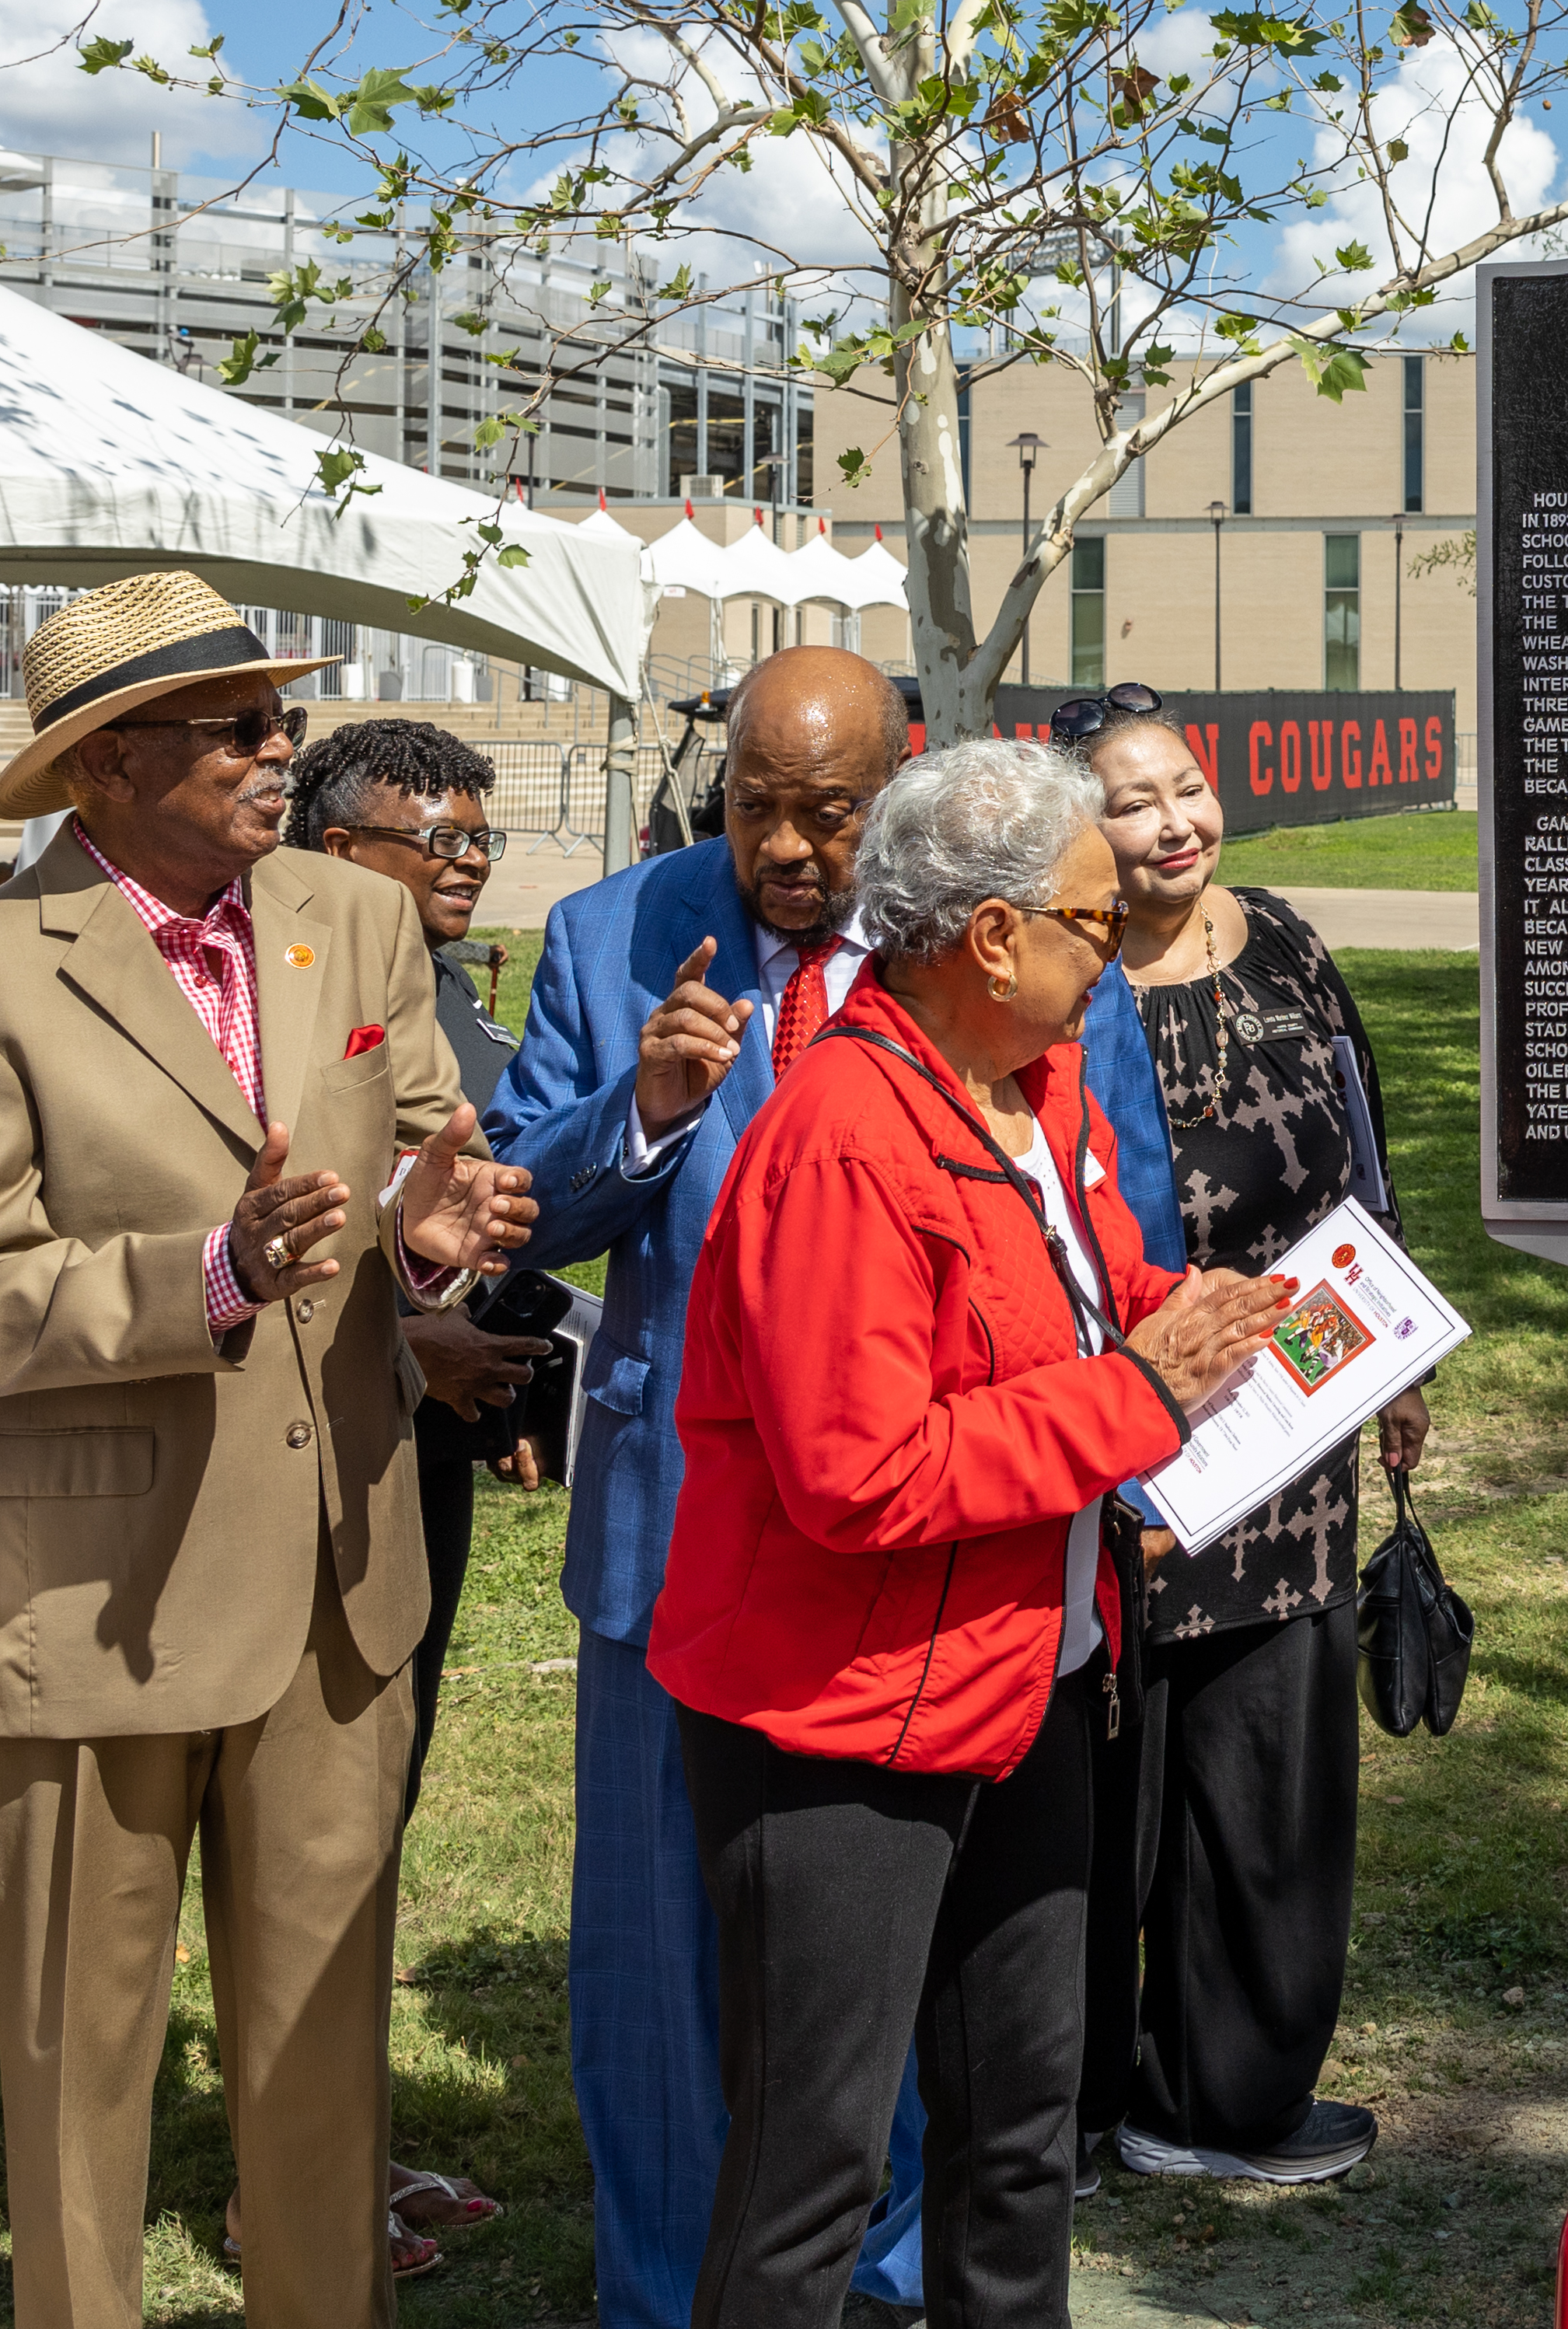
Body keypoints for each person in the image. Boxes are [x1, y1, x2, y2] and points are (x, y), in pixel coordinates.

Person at [0, 571, 536, 2327]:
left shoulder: (352, 922)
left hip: (340, 1586)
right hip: (106, 1607)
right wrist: (210, 1274)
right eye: (235, 725)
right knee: (79, 2091)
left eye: (277, 713)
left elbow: (402, 1157)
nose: (278, 746)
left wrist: (432, 1211)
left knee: (324, 2071)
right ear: (103, 769)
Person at [652, 737, 1290, 2327]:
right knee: (814, 2168)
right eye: (1093, 917)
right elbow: (859, 1476)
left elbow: (1066, 1296)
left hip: (1023, 1683)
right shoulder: (847, 1139)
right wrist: (1142, 1395)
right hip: (843, 1724)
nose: (1118, 942)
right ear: (993, 936)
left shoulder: (1028, 1085)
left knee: (1019, 2131)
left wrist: (1190, 1317)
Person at [484, 643, 932, 2326]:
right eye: (759, 807)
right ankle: (666, 2295)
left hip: (896, 1541)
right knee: (657, 1975)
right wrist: (646, 1110)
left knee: (864, 1955)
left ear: (893, 789)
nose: (793, 848)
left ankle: (869, 2285)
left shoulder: (974, 930)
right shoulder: (612, 933)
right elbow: (518, 1200)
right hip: (670, 1538)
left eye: (831, 813)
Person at [1067, 702, 1420, 2184]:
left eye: (1186, 788)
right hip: (1130, 1431)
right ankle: (1072, 2106)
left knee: (1268, 1768)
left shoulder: (1280, 937)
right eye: (1133, 804)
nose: (1173, 823)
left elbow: (1366, 1142)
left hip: (1298, 1428)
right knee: (1106, 1789)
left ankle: (1222, 2098)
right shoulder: (1058, 975)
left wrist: (1400, 1351)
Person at [288, 717, 551, 2257]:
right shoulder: (300, 997)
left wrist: (485, 1374)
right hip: (317, 1470)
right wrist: (418, 1344)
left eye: (479, 838)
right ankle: (299, 2186)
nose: (466, 862)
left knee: (375, 1812)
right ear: (341, 854)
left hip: (421, 1453)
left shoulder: (425, 991)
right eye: (435, 839)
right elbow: (281, 1240)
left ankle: (347, 2140)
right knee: (320, 1830)